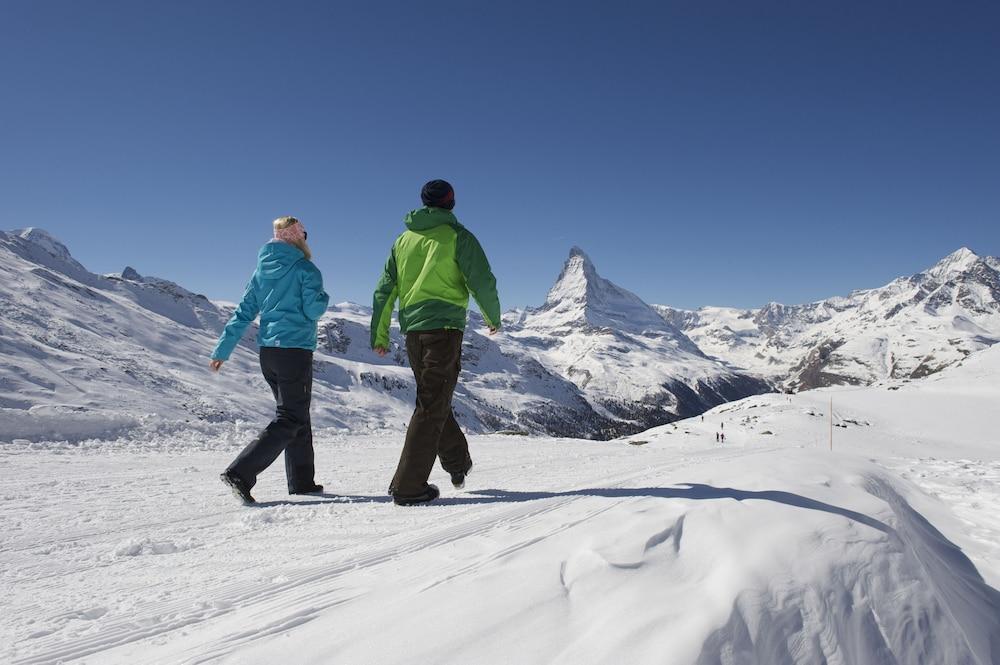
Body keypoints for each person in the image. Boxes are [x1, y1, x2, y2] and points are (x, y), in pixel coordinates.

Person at [371, 179, 501, 506]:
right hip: (444, 329)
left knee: (434, 398)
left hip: (413, 331)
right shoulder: (459, 237)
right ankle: (408, 486)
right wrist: (492, 316)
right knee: (431, 404)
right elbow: (481, 280)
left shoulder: (403, 240)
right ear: (451, 202)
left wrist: (379, 333)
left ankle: (457, 463)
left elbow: (385, 290)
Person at [210, 216, 330, 504]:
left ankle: (302, 481)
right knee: (291, 416)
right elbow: (314, 311)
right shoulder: (305, 269)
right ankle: (241, 472)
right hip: (294, 351)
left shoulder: (260, 272)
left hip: (269, 354)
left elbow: (243, 313)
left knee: (296, 413)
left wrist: (222, 350)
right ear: (298, 237)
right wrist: (323, 298)